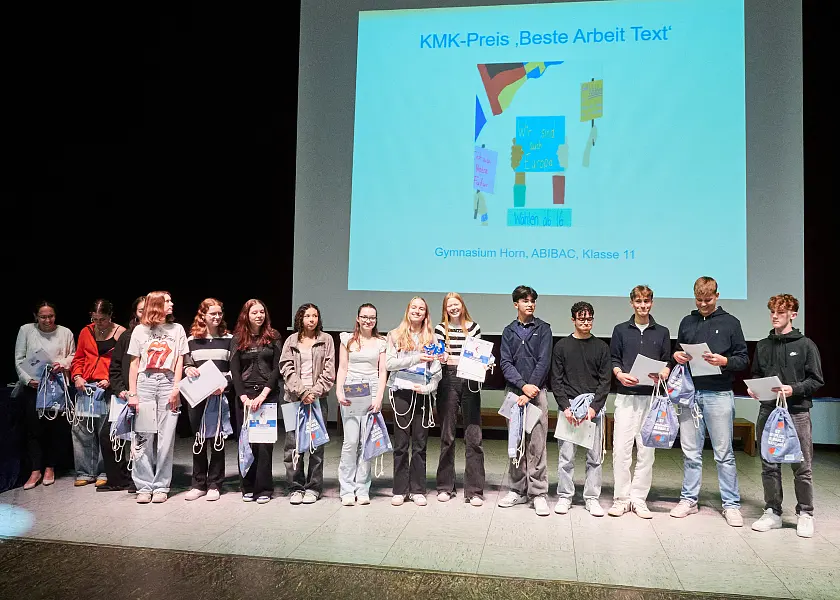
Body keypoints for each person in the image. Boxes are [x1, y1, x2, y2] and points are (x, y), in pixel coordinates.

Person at [670, 276, 748, 526]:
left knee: (724, 453)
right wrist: (678, 355)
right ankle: (689, 500)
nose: (703, 304)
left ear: (717, 296)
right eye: (699, 299)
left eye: (708, 299)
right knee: (690, 451)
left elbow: (743, 359)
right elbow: (678, 351)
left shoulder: (731, 323)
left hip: (719, 394)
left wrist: (723, 361)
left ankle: (731, 504)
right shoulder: (687, 321)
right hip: (689, 393)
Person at [747, 294, 824, 538]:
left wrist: (794, 389)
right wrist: (754, 389)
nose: (774, 317)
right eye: (772, 312)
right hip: (769, 411)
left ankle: (805, 513)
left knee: (802, 466)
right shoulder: (763, 345)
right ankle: (772, 511)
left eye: (780, 313)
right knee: (769, 464)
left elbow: (816, 380)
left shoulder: (805, 345)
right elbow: (757, 374)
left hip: (797, 411)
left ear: (793, 314)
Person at [608, 285, 671, 518]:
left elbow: (667, 360)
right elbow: (614, 358)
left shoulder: (662, 331)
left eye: (646, 301)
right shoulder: (620, 330)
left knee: (647, 451)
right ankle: (621, 498)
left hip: (652, 399)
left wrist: (665, 371)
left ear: (651, 303)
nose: (642, 306)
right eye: (638, 302)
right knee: (621, 450)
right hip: (626, 398)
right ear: (631, 303)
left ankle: (639, 498)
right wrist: (619, 373)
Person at [126, 291, 189, 504]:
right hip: (145, 382)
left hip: (168, 381)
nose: (171, 304)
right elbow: (134, 363)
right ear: (156, 305)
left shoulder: (177, 329)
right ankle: (143, 485)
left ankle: (161, 485)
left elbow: (180, 360)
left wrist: (176, 388)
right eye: (167, 301)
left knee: (166, 437)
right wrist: (133, 393)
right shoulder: (139, 331)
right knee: (143, 436)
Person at [551, 302, 611, 516]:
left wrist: (594, 408)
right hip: (568, 408)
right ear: (573, 320)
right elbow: (555, 380)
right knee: (566, 457)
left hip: (592, 410)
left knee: (594, 457)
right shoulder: (561, 347)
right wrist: (565, 407)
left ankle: (592, 498)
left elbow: (605, 382)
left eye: (589, 319)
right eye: (581, 319)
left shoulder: (602, 347)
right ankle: (565, 496)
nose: (586, 322)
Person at [498, 286, 553, 516]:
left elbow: (544, 361)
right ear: (515, 305)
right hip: (514, 394)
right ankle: (517, 490)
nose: (529, 304)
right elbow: (505, 363)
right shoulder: (508, 331)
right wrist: (522, 386)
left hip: (537, 393)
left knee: (537, 444)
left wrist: (530, 389)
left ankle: (538, 493)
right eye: (524, 301)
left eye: (532, 301)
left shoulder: (544, 329)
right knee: (516, 443)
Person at [385, 296, 442, 507]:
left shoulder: (432, 338)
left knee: (420, 443)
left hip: (423, 394)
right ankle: (400, 490)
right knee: (400, 444)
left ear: (426, 314)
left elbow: (437, 372)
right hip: (401, 392)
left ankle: (418, 489)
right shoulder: (394, 335)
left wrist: (428, 387)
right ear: (408, 310)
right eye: (414, 308)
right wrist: (417, 358)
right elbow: (389, 364)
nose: (417, 311)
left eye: (422, 309)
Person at [14, 301, 76, 490]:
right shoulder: (26, 330)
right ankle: (35, 470)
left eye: (51, 316)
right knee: (34, 429)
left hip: (56, 387)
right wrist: (27, 380)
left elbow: (73, 355)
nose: (47, 320)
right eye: (43, 317)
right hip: (34, 386)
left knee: (55, 429)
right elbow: (19, 359)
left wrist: (62, 363)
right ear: (36, 316)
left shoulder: (65, 332)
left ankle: (50, 467)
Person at [279, 303, 336, 505]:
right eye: (307, 316)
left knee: (315, 446)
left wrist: (313, 392)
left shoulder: (326, 340)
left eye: (315, 316)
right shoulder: (290, 340)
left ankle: (313, 488)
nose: (311, 319)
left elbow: (329, 372)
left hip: (317, 401)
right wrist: (302, 391)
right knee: (292, 446)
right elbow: (285, 367)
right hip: (293, 400)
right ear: (300, 319)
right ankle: (295, 487)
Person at [434, 292, 486, 507]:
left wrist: (484, 361)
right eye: (449, 306)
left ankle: (474, 490)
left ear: (462, 306)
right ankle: (445, 486)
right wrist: (441, 357)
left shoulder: (474, 327)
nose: (453, 308)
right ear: (445, 309)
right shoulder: (439, 329)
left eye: (456, 304)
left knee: (474, 435)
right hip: (448, 379)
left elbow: (477, 355)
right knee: (447, 434)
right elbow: (438, 357)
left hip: (470, 380)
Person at [230, 299, 282, 504]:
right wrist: (243, 397)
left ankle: (264, 488)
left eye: (262, 312)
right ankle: (248, 485)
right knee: (246, 442)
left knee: (264, 444)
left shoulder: (274, 336)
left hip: (267, 396)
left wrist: (262, 395)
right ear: (246, 315)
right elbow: (234, 370)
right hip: (244, 398)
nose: (259, 315)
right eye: (254, 313)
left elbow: (277, 368)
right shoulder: (237, 339)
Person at [69, 299, 126, 488]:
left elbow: (123, 364)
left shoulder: (121, 333)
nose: (98, 323)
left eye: (102, 319)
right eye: (95, 319)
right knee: (82, 431)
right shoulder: (86, 331)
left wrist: (111, 380)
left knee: (104, 431)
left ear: (111, 316)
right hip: (86, 387)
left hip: (107, 389)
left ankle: (104, 471)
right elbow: (79, 357)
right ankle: (85, 472)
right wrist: (77, 376)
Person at [335, 303, 387, 506]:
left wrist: (379, 397)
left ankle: (362, 487)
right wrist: (339, 390)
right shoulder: (346, 339)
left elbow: (382, 371)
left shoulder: (381, 342)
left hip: (371, 391)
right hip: (351, 391)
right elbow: (342, 367)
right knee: (350, 442)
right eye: (364, 316)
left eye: (372, 317)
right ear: (358, 318)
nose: (368, 320)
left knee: (366, 442)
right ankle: (346, 489)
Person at [183, 298, 234, 502]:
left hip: (219, 395)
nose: (216, 316)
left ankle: (214, 483)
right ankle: (198, 483)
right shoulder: (191, 340)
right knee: (199, 439)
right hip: (198, 397)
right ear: (202, 315)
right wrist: (188, 369)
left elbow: (234, 370)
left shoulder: (229, 339)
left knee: (218, 440)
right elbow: (186, 365)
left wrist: (224, 383)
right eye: (212, 313)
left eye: (219, 313)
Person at [102, 296, 145, 492]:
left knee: (143, 439)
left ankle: (140, 481)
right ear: (135, 313)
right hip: (125, 396)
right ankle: (118, 478)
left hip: (147, 396)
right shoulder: (127, 336)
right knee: (108, 436)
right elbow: (115, 367)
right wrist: (120, 390)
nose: (144, 314)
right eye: (140, 310)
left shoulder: (160, 336)